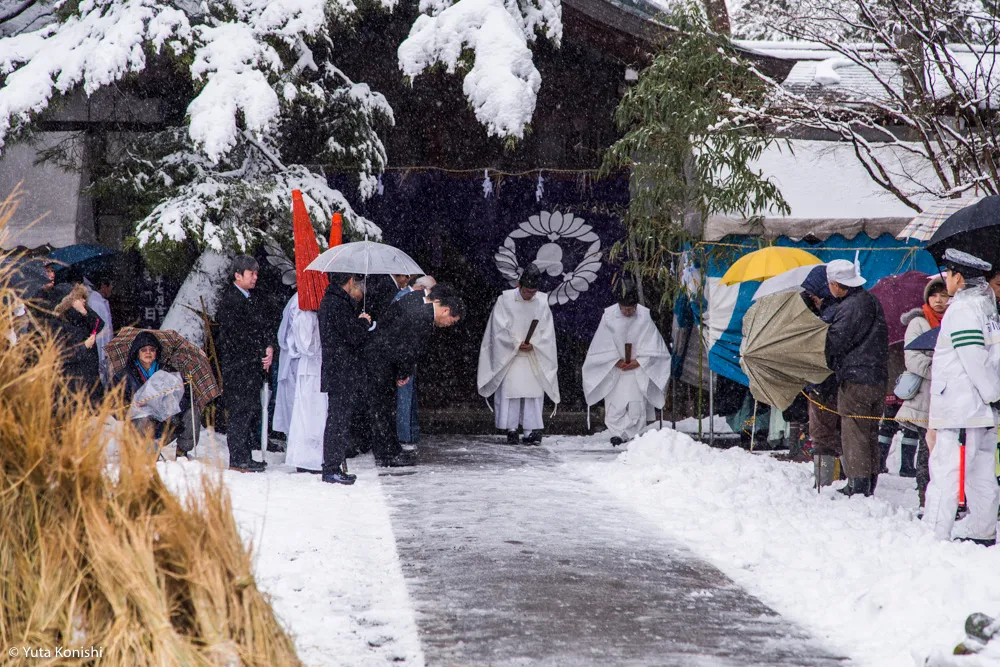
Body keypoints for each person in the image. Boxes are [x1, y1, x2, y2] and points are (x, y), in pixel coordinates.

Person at [924, 249, 1000, 546]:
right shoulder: (986, 309)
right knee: (980, 473)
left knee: (946, 472)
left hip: (962, 409)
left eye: (948, 275)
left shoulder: (962, 310)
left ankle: (935, 534)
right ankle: (982, 529)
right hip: (981, 411)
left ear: (958, 277)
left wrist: (993, 394)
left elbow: (974, 360)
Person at [365, 283, 465, 466]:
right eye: (453, 320)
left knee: (384, 408)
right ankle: (387, 454)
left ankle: (390, 450)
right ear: (446, 311)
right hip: (383, 361)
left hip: (380, 356)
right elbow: (407, 349)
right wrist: (403, 373)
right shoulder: (422, 317)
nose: (449, 325)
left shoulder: (415, 299)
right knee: (383, 409)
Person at [824, 259, 889, 498]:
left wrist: (830, 364)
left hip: (856, 379)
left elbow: (835, 343)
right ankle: (870, 481)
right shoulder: (872, 300)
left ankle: (858, 485)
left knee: (854, 432)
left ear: (837, 284)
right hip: (878, 377)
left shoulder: (849, 307)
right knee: (871, 430)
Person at [478, 264, 560, 445]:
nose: (530, 295)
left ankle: (531, 429)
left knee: (532, 392)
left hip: (533, 353)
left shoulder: (542, 301)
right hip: (511, 354)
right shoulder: (505, 300)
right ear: (519, 286)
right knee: (511, 391)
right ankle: (511, 428)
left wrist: (534, 343)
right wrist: (515, 344)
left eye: (533, 292)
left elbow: (547, 331)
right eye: (526, 291)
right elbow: (498, 329)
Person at [582, 282, 671, 446]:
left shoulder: (644, 316)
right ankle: (616, 433)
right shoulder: (609, 316)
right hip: (616, 368)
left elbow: (653, 344)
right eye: (624, 309)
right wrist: (615, 360)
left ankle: (633, 433)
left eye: (631, 309)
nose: (627, 312)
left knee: (636, 405)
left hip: (637, 368)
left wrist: (639, 361)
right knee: (616, 405)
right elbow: (602, 344)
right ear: (619, 305)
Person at [216, 256, 274, 473]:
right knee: (241, 412)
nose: (255, 278)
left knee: (249, 410)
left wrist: (268, 347)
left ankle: (244, 455)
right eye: (251, 273)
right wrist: (259, 350)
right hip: (239, 367)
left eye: (256, 273)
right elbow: (239, 337)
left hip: (250, 365)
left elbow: (261, 328)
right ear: (238, 275)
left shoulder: (250, 298)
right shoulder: (231, 300)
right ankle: (238, 457)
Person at [895, 276, 948, 508]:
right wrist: (939, 369)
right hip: (925, 397)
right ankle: (925, 498)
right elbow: (912, 358)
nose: (938, 300)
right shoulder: (918, 323)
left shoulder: (954, 321)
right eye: (934, 295)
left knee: (945, 451)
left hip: (949, 398)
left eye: (943, 295)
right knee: (927, 450)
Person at [319, 273, 373, 484]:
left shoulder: (331, 301)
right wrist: (363, 323)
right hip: (341, 369)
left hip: (337, 368)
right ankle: (331, 467)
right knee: (338, 420)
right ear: (349, 281)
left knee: (338, 419)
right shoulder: (337, 304)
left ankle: (333, 464)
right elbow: (352, 336)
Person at [114, 330, 200, 457]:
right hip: (140, 425)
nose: (148, 352)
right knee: (143, 420)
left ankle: (182, 451)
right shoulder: (124, 375)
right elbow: (116, 406)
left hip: (167, 422)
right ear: (137, 352)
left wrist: (170, 401)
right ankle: (147, 454)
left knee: (192, 413)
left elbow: (185, 398)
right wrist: (134, 405)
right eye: (143, 349)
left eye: (151, 349)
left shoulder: (168, 371)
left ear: (156, 352)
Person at [273, 293, 327, 472]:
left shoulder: (312, 313)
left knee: (314, 414)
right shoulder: (303, 313)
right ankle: (305, 458)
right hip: (305, 368)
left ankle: (313, 456)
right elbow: (304, 345)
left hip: (314, 368)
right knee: (305, 414)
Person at [800, 265, 842, 484]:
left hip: (824, 384)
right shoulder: (838, 310)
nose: (811, 299)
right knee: (840, 432)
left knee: (822, 434)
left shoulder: (829, 315)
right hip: (833, 383)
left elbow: (821, 351)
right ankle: (843, 478)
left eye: (813, 293)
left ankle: (824, 482)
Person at [394, 275, 436, 448]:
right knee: (404, 396)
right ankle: (404, 436)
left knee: (408, 396)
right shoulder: (404, 298)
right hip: (402, 353)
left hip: (407, 353)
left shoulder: (406, 297)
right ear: (420, 287)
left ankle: (409, 433)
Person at [52, 283, 104, 401]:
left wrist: (85, 313)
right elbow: (62, 354)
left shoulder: (84, 315)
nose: (83, 301)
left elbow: (99, 325)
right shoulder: (59, 323)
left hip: (91, 373)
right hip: (73, 378)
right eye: (79, 298)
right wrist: (84, 347)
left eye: (83, 298)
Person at [86, 271, 114, 388]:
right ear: (103, 285)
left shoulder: (100, 301)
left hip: (104, 346)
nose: (112, 288)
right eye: (111, 285)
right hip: (100, 345)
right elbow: (100, 328)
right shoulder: (96, 302)